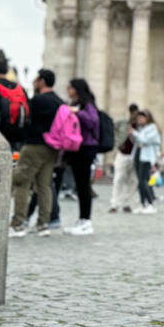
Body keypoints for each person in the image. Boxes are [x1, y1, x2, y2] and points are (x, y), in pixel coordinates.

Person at [9, 69, 64, 238]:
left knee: (22, 183)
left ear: (42, 81)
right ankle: (43, 224)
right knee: (44, 185)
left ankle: (18, 223)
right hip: (52, 148)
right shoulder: (58, 101)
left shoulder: (38, 100)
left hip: (34, 146)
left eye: (36, 79)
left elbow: (25, 120)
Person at [58, 79, 100, 235]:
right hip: (78, 148)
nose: (68, 90)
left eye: (70, 87)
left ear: (76, 89)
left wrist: (76, 112)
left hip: (86, 148)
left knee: (83, 186)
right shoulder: (78, 104)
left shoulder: (87, 104)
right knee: (80, 185)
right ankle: (82, 220)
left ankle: (86, 221)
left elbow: (93, 121)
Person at [109, 104, 140, 212]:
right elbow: (112, 128)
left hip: (135, 155)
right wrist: (116, 142)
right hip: (122, 153)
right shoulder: (122, 122)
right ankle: (115, 204)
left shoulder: (140, 126)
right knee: (118, 179)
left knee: (132, 180)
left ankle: (127, 203)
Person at [129, 110, 161, 214]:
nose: (139, 120)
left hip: (147, 157)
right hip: (139, 155)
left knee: (143, 181)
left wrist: (134, 133)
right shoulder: (141, 128)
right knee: (140, 181)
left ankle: (150, 203)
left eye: (141, 118)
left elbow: (145, 140)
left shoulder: (152, 128)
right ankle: (142, 203)